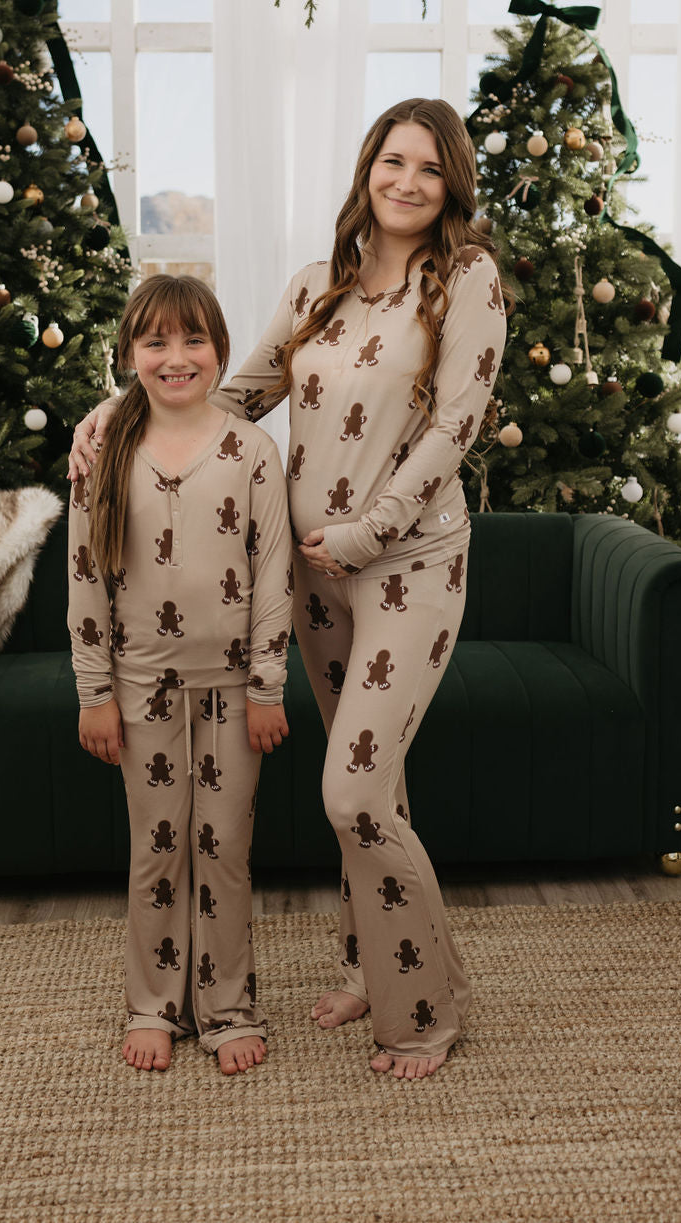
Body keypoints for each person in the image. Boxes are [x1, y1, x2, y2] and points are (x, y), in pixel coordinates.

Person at [70, 98, 509, 1079]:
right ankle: (367, 958)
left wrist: (369, 529)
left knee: (351, 787)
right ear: (366, 172)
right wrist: (114, 405)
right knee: (378, 780)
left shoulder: (466, 279)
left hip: (407, 562)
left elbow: (455, 426)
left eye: (428, 169)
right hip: (313, 576)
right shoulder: (320, 286)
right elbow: (233, 390)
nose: (406, 181)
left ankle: (429, 1002)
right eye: (391, 161)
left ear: (450, 187)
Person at [68, 273, 292, 1077]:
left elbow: (272, 576)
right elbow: (86, 577)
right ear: (130, 354)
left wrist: (268, 685)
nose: (175, 357)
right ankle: (153, 1005)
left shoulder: (253, 452)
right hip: (139, 686)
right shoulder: (104, 451)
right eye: (156, 341)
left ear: (221, 352)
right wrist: (95, 693)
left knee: (224, 846)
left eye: (193, 339)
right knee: (157, 848)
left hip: (235, 688)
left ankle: (227, 1006)